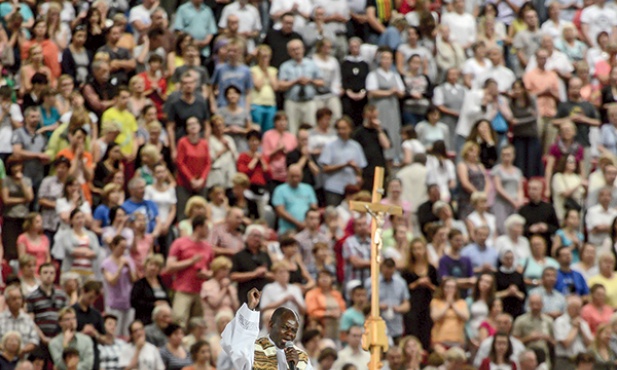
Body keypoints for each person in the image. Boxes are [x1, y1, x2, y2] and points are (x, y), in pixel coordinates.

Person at [221, 287, 313, 370]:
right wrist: (250, 308)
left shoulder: (301, 357)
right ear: (271, 324)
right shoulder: (254, 349)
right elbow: (235, 346)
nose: (289, 333)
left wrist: (295, 368)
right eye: (285, 327)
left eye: (294, 330)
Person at [166, 215, 214, 327]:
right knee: (179, 320)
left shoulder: (208, 248)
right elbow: (169, 266)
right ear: (198, 228)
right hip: (183, 290)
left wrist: (207, 274)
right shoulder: (180, 243)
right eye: (206, 227)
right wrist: (190, 262)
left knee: (198, 324)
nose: (208, 231)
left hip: (201, 292)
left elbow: (212, 270)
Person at [318, 117, 367, 206]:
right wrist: (344, 165)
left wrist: (355, 169)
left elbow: (361, 170)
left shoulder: (356, 146)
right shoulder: (330, 146)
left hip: (351, 188)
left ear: (350, 129)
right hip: (334, 187)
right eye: (339, 128)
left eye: (344, 128)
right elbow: (324, 168)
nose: (341, 131)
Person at [26, 262, 68, 350]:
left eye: (52, 273)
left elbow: (66, 317)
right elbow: (30, 321)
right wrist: (43, 338)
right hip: (40, 339)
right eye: (45, 272)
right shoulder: (31, 296)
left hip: (59, 338)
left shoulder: (62, 295)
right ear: (39, 275)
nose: (48, 275)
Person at [272, 165, 317, 234]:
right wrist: (297, 223)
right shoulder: (280, 190)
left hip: (306, 229)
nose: (295, 179)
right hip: (287, 230)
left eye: (297, 176)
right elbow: (280, 211)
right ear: (287, 175)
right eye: (292, 176)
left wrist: (306, 222)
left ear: (302, 176)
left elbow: (313, 207)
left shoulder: (308, 188)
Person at [554, 296, 594, 370]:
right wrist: (575, 328)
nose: (578, 311)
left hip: (581, 361)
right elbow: (566, 343)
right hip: (565, 360)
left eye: (580, 308)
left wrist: (581, 330)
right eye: (575, 308)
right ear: (568, 308)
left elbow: (589, 344)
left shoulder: (583, 323)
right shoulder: (560, 322)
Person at [305, 269, 346, 341]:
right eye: (322, 277)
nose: (324, 279)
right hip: (321, 326)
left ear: (331, 279)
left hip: (337, 326)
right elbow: (311, 312)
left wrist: (339, 312)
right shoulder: (312, 294)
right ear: (317, 280)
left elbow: (343, 308)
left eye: (327, 277)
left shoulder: (336, 294)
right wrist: (328, 313)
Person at [0, 285, 39, 355]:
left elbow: (35, 340)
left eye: (19, 298)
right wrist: (7, 352)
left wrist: (23, 350)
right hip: (2, 359)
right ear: (7, 301)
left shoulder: (28, 319)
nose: (17, 301)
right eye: (14, 299)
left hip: (23, 358)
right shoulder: (1, 318)